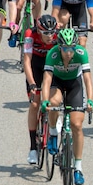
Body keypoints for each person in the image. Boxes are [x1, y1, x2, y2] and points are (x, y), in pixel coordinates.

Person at [40, 28, 93, 185]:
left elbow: (87, 79)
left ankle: (78, 168)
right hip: (57, 82)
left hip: (74, 84)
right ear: (60, 47)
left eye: (71, 48)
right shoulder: (53, 54)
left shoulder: (81, 53)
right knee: (54, 103)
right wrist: (45, 100)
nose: (69, 52)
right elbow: (47, 80)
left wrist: (90, 100)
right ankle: (52, 133)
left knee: (77, 125)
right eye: (65, 49)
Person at [23, 15, 57, 164]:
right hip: (36, 65)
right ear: (39, 31)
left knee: (54, 98)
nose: (50, 36)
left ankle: (54, 125)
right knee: (35, 104)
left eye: (52, 33)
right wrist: (31, 83)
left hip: (52, 64)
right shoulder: (30, 34)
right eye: (46, 33)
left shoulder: (57, 36)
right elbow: (27, 60)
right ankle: (32, 148)